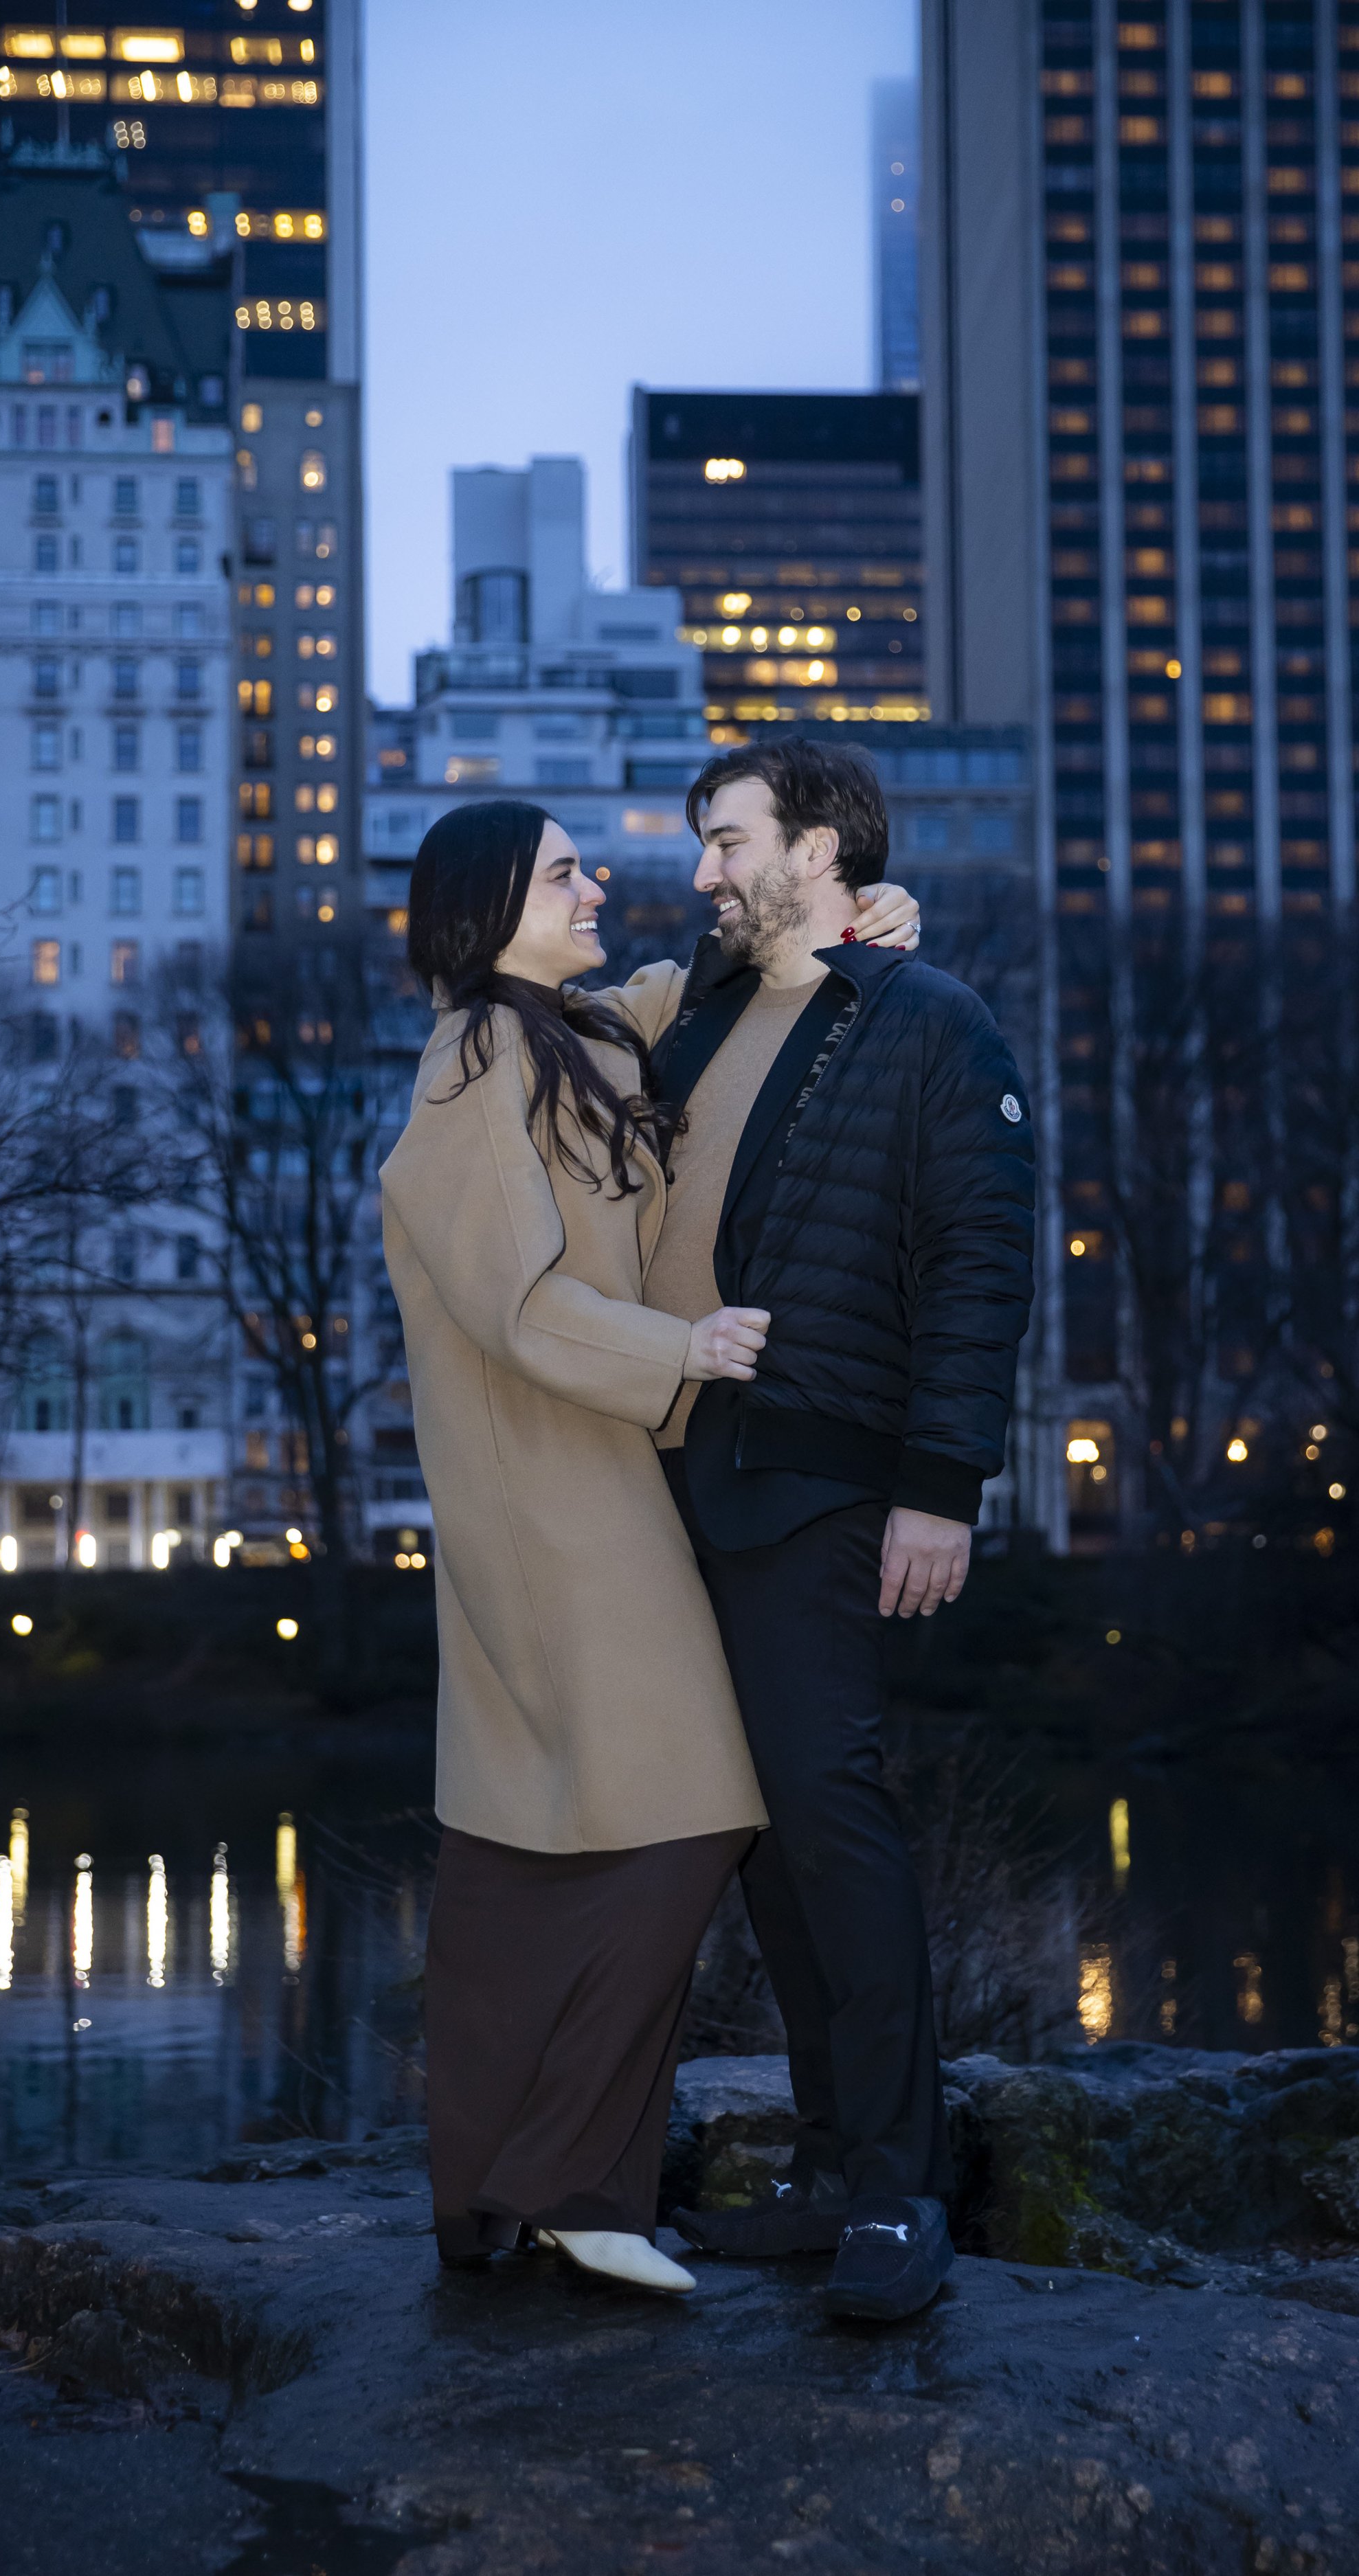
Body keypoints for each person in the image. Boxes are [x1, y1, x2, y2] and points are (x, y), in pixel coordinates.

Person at [379, 799, 919, 2300]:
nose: (598, 881)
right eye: (566, 871)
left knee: (517, 1846)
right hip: (549, 1493)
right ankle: (564, 2180)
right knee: (697, 1809)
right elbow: (516, 1302)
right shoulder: (472, 1065)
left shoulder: (571, 1030)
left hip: (594, 1474)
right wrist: (682, 1349)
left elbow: (693, 985)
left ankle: (497, 2192)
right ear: (489, 908)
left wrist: (851, 921)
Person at [650, 739, 1035, 2323]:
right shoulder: (696, 1020)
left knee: (832, 1814)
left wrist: (940, 1485)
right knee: (758, 1838)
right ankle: (825, 2173)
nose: (702, 872)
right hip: (674, 1479)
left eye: (726, 840)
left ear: (816, 846)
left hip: (823, 1477)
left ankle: (895, 2189)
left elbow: (976, 1262)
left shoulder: (927, 1021)